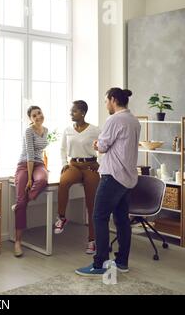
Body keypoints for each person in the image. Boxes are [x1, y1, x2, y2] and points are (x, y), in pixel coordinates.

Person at [76, 88, 140, 276]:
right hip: (127, 177)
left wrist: (96, 144)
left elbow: (103, 146)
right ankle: (121, 262)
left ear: (113, 100)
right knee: (121, 220)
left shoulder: (114, 120)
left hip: (112, 176)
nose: (105, 105)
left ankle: (99, 264)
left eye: (106, 101)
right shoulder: (134, 121)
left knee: (99, 217)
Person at [55, 101, 101, 255]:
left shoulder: (95, 130)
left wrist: (99, 163)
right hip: (74, 164)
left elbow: (105, 147)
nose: (71, 113)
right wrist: (63, 163)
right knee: (64, 181)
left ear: (82, 112)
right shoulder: (68, 130)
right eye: (71, 111)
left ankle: (92, 240)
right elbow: (62, 149)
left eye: (73, 111)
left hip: (90, 166)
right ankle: (62, 217)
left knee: (91, 202)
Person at [12, 106, 49, 258]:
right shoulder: (28, 131)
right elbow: (30, 154)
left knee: (42, 180)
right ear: (30, 119)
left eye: (39, 113)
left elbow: (40, 153)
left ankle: (21, 202)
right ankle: (18, 242)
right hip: (24, 165)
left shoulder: (45, 130)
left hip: (39, 165)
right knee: (22, 203)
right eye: (34, 115)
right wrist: (28, 179)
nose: (38, 116)